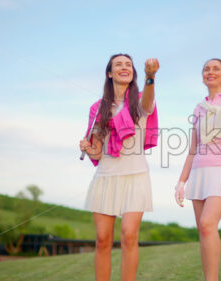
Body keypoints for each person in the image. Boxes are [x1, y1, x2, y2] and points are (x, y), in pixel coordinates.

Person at [80, 53, 159, 281]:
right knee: (103, 240)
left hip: (136, 177)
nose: (124, 67)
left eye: (128, 65)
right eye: (118, 65)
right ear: (109, 73)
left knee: (129, 236)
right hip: (106, 177)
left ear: (134, 72)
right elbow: (97, 152)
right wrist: (87, 146)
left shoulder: (142, 100)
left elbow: (148, 102)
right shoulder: (97, 108)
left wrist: (150, 77)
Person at [174, 58, 221, 281]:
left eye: (216, 69)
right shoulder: (199, 107)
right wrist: (181, 181)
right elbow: (192, 149)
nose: (210, 72)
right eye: (206, 69)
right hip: (199, 171)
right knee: (204, 231)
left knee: (207, 224)